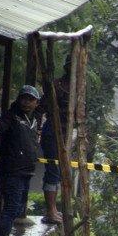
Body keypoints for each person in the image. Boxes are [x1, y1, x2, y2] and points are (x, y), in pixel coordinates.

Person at [0, 85, 42, 236]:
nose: (27, 102)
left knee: (17, 207)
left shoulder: (33, 120)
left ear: (36, 103)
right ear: (19, 100)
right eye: (24, 98)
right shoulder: (11, 116)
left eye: (31, 99)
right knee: (11, 207)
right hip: (12, 170)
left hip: (26, 171)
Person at [37, 56, 72, 224]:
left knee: (58, 173)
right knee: (53, 171)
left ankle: (54, 209)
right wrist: (37, 129)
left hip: (67, 135)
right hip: (53, 133)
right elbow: (40, 109)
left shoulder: (78, 88)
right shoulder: (57, 86)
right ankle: (50, 210)